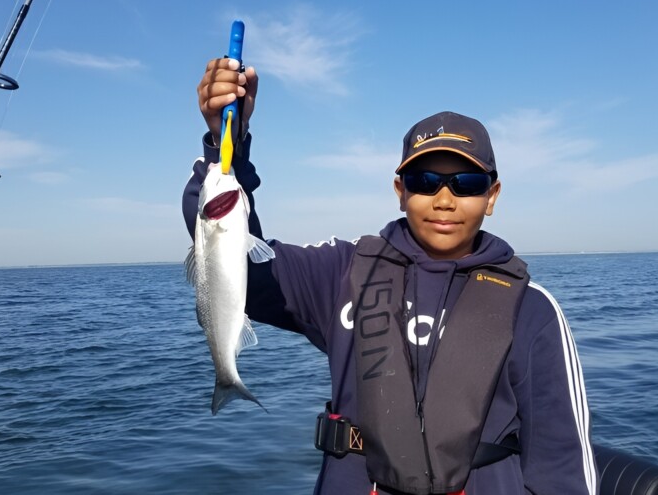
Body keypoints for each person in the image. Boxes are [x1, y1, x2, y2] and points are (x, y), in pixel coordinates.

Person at [183, 58, 599, 495]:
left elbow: (562, 463)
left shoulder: (532, 310)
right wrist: (223, 143)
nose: (444, 199)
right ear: (400, 191)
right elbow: (231, 262)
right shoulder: (341, 273)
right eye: (424, 180)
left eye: (467, 182)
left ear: (491, 196)